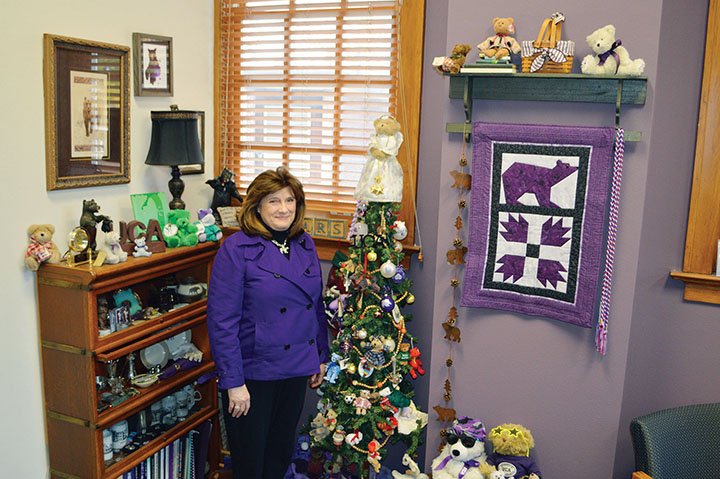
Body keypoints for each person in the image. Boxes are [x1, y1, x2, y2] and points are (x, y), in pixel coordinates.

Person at [207, 166, 329, 479]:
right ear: (257, 206)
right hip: (252, 373)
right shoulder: (235, 250)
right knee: (251, 464)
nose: (284, 208)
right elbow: (222, 322)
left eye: (290, 200)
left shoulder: (304, 244)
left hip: (295, 366)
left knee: (278, 455)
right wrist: (233, 382)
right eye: (274, 201)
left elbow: (315, 305)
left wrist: (319, 357)